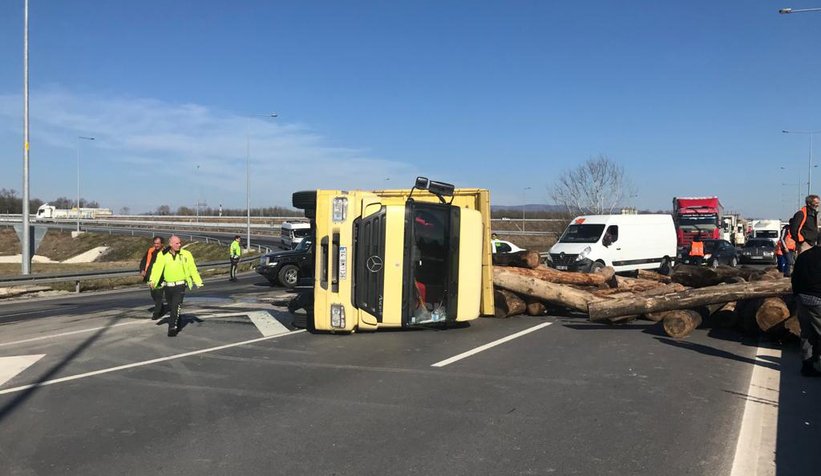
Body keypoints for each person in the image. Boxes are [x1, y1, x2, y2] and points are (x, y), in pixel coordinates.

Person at [149, 235, 204, 337]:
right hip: (168, 286)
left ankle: (172, 328)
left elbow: (192, 268)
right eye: (177, 243)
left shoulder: (186, 254)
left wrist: (198, 281)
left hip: (180, 285)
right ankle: (177, 321)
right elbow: (157, 269)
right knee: (172, 306)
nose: (179, 245)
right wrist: (153, 280)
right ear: (170, 244)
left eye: (180, 243)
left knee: (176, 305)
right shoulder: (163, 255)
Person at [791, 245, 821, 377]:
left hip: (802, 298)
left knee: (807, 333)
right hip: (818, 300)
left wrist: (796, 295)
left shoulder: (803, 256)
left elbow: (794, 278)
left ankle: (807, 366)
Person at [139, 236, 166, 320]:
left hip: (161, 278)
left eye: (158, 243)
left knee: (158, 295)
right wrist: (142, 269)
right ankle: (161, 307)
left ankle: (156, 313)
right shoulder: (150, 250)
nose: (156, 245)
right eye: (155, 243)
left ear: (162, 244)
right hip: (151, 277)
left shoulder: (166, 252)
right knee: (153, 294)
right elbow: (143, 261)